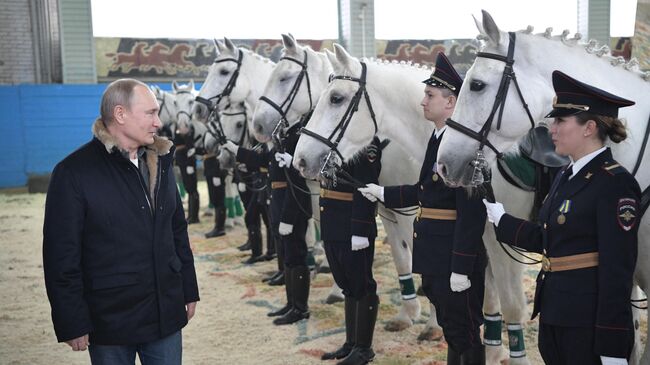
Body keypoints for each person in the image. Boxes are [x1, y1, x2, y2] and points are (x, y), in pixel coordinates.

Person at [484, 71, 639, 365]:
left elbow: (617, 270)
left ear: (589, 127)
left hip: (588, 323)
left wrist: (612, 346)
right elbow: (550, 240)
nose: (551, 129)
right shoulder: (565, 176)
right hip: (555, 313)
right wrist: (502, 220)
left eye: (560, 121)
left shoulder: (615, 184)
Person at [43, 79, 200, 364]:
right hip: (110, 322)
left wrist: (188, 288)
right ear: (120, 114)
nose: (158, 121)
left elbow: (176, 230)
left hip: (165, 314)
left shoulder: (161, 161)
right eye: (150, 113)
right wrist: (71, 320)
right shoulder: (74, 173)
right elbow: (61, 255)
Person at [358, 52, 487, 364]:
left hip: (453, 256)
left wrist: (460, 267)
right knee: (452, 328)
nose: (423, 101)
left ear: (451, 102)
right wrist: (382, 192)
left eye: (430, 95)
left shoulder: (462, 147)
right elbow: (424, 192)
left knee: (465, 330)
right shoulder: (437, 138)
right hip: (435, 252)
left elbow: (472, 212)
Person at [224, 119, 312, 325]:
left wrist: (289, 217)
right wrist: (236, 149)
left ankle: (301, 308)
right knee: (287, 255)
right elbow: (263, 160)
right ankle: (291, 304)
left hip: (291, 204)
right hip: (278, 200)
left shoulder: (297, 137)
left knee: (296, 255)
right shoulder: (283, 136)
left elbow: (296, 182)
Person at [319, 138, 383, 365]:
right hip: (333, 222)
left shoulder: (364, 141)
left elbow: (366, 184)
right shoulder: (332, 132)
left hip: (352, 224)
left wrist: (360, 229)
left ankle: (364, 348)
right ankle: (352, 342)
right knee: (347, 284)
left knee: (362, 284)